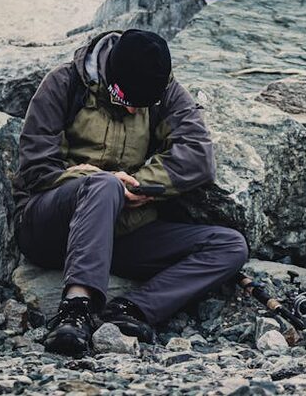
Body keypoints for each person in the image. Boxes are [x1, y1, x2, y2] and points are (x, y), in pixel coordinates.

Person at [13, 28, 249, 357]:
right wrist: (100, 180)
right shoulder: (65, 84)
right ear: (112, 78)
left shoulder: (164, 90)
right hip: (49, 226)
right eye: (127, 101)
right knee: (104, 185)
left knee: (229, 246)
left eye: (144, 105)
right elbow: (36, 169)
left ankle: (130, 310)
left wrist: (140, 184)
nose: (134, 112)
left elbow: (198, 157)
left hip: (118, 233)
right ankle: (75, 310)